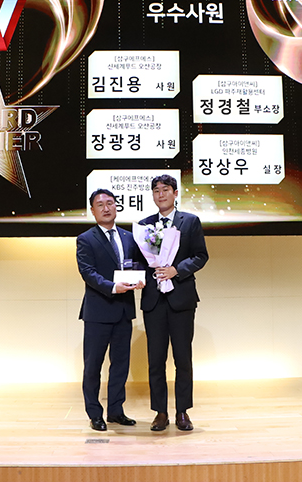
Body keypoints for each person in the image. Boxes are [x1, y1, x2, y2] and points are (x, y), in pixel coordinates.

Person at [139, 175, 208, 431]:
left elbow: (201, 256)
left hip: (181, 299)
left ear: (175, 193)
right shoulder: (144, 225)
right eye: (156, 190)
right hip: (154, 301)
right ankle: (160, 412)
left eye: (165, 190)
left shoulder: (190, 221)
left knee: (183, 358)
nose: (161, 194)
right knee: (156, 359)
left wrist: (176, 270)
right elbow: (139, 261)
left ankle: (182, 412)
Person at [77, 188, 144, 431]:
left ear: (116, 206)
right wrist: (113, 287)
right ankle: (95, 413)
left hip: (124, 311)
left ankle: (116, 411)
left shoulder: (129, 237)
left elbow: (136, 264)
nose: (106, 208)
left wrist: (140, 278)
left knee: (120, 365)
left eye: (110, 203)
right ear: (92, 210)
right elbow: (88, 272)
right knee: (93, 366)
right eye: (100, 204)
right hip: (98, 312)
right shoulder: (86, 239)